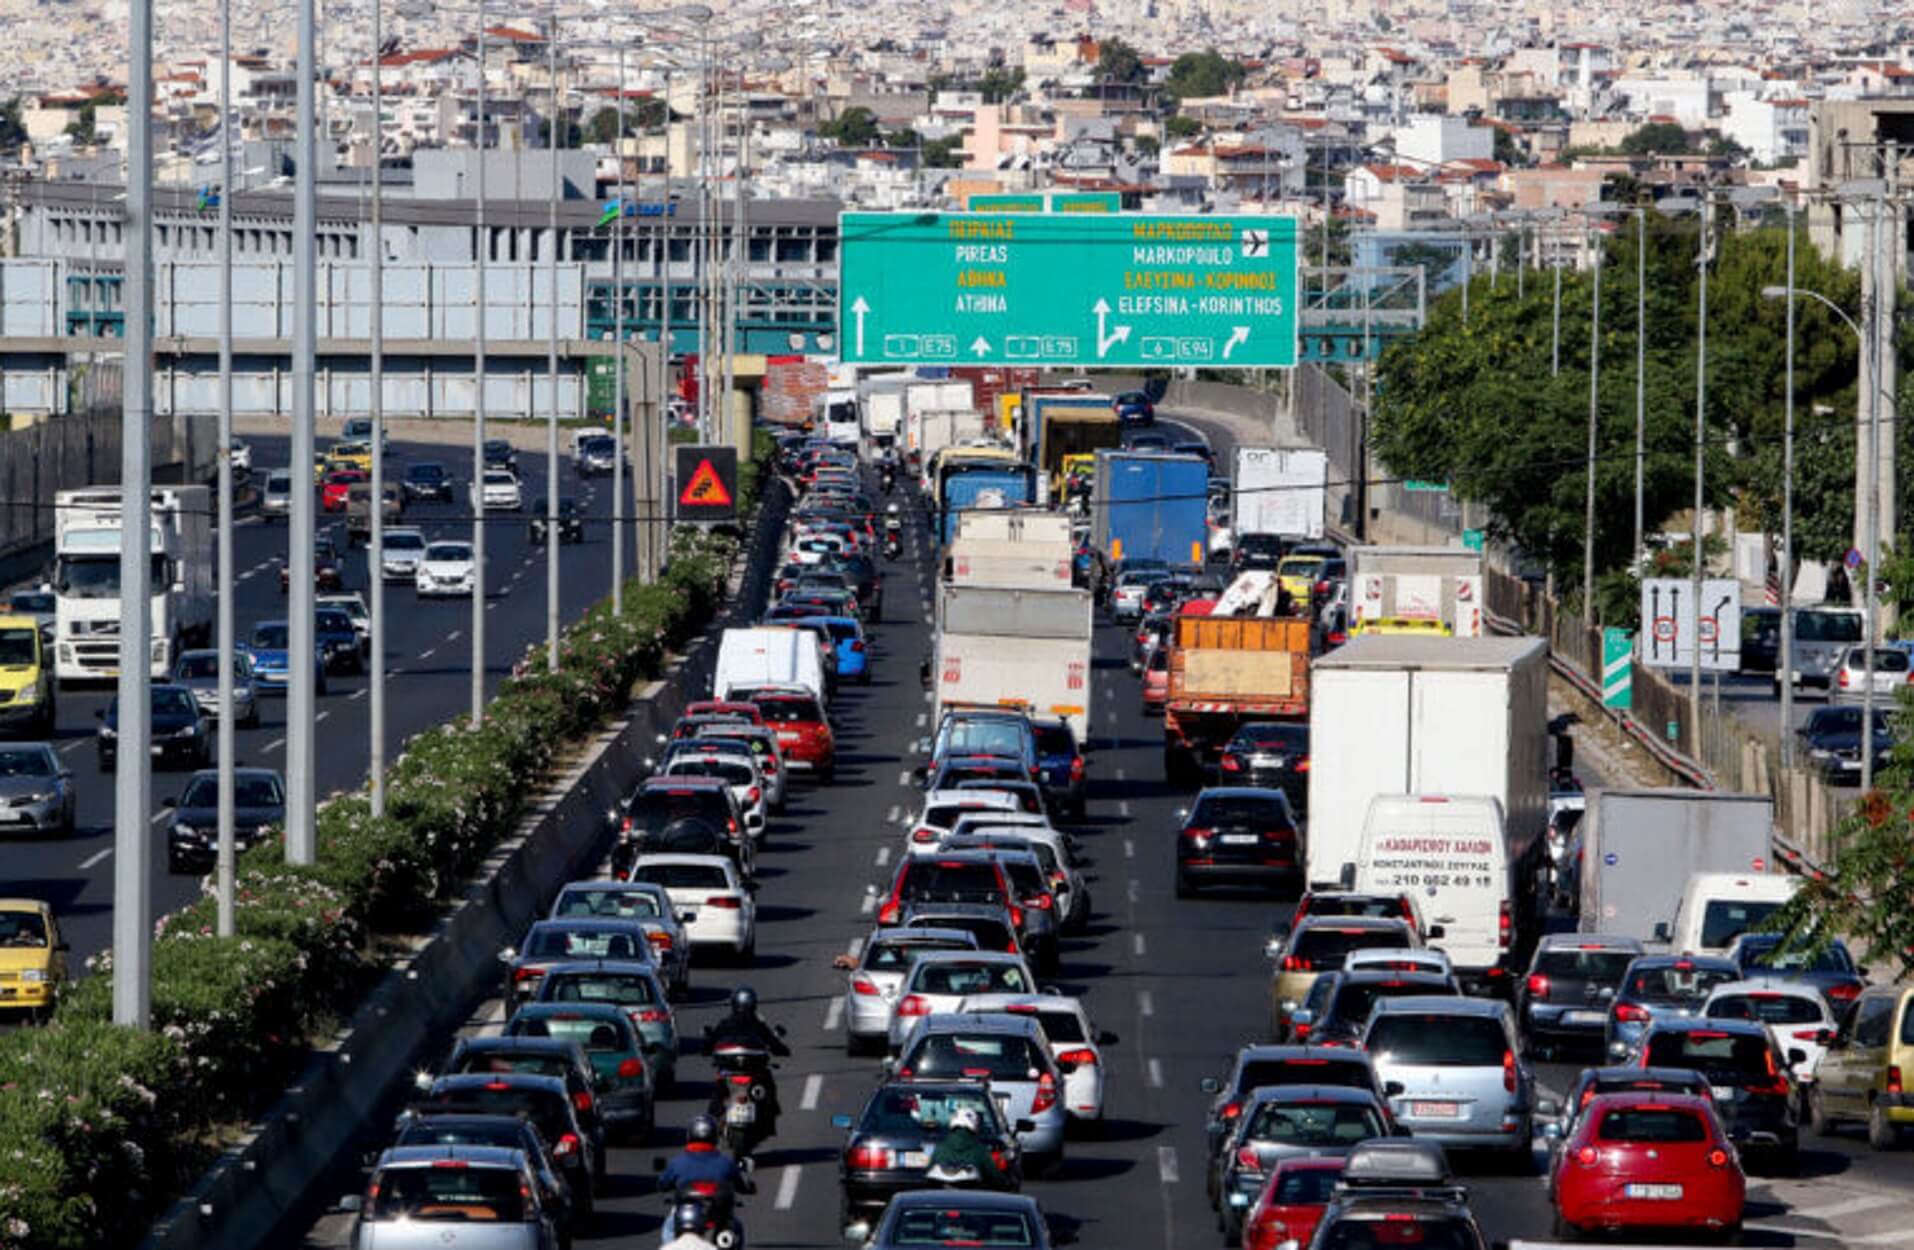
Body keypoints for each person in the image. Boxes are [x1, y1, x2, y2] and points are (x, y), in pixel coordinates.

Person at [658, 1115, 752, 1232]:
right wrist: (747, 1188)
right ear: (714, 1137)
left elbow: (663, 1183)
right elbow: (739, 1184)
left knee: (669, 1227)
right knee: (736, 1227)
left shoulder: (677, 1163)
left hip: (689, 1220)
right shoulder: (726, 1162)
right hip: (718, 1223)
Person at [927, 1107, 1011, 1188]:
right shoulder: (980, 1150)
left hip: (942, 1198)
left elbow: (928, 1175)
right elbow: (994, 1176)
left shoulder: (940, 1148)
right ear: (974, 1125)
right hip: (971, 1198)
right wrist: (1006, 1183)